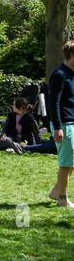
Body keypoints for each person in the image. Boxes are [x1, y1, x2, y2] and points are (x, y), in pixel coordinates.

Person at [48, 39, 74, 208]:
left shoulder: (72, 74)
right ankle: (63, 199)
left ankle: (56, 191)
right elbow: (54, 103)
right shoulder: (59, 74)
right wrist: (57, 127)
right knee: (66, 163)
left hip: (72, 122)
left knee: (72, 162)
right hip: (63, 124)